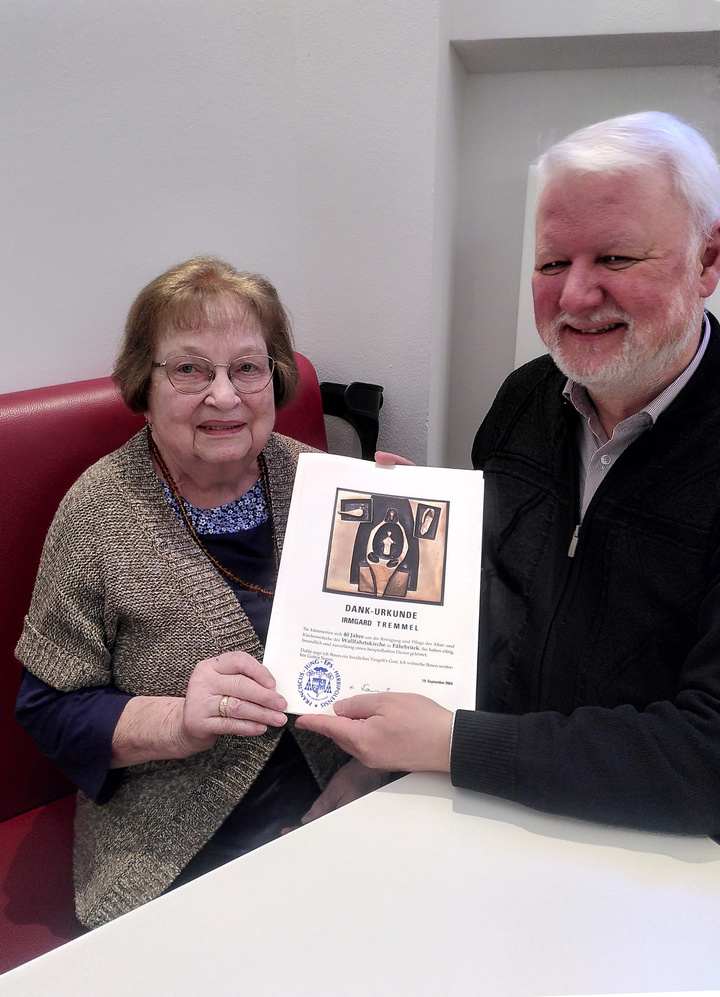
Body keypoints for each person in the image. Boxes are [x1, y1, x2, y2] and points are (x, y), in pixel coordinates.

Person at [296, 111, 720, 835]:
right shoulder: (526, 399)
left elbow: (705, 757)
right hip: (478, 807)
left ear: (709, 261)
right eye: (553, 263)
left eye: (615, 259)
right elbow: (491, 613)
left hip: (648, 860)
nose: (576, 296)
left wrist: (452, 742)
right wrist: (421, 532)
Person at [15, 257, 381, 927]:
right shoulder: (98, 512)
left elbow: (394, 653)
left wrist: (414, 519)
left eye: (247, 367)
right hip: (178, 842)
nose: (224, 395)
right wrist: (177, 721)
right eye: (190, 369)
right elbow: (49, 707)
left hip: (347, 799)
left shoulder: (329, 484)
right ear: (142, 385)